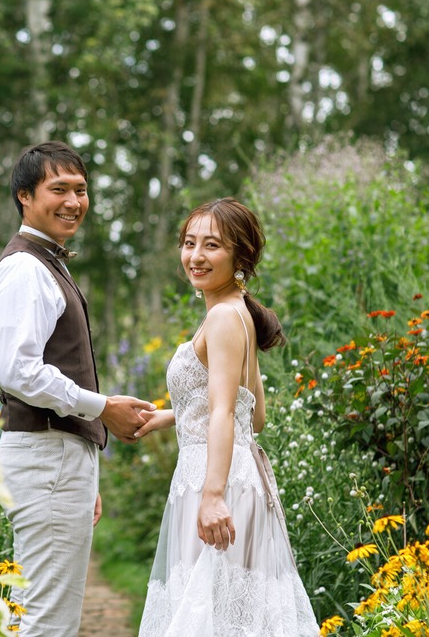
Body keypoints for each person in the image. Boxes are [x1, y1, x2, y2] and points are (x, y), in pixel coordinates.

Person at [0, 141, 156, 637]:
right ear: (24, 196)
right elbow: (19, 372)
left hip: (56, 461)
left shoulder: (45, 263)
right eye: (57, 189)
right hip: (47, 461)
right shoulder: (25, 268)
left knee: (33, 613)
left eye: (81, 190)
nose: (73, 202)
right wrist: (102, 409)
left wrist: (88, 471)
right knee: (48, 621)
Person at [134, 198, 318, 636]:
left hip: (215, 480)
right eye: (189, 243)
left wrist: (214, 494)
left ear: (240, 257)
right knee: (226, 615)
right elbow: (252, 417)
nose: (195, 256)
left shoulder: (222, 317)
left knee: (216, 618)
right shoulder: (240, 313)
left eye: (211, 245)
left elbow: (224, 412)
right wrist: (169, 417)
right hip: (233, 473)